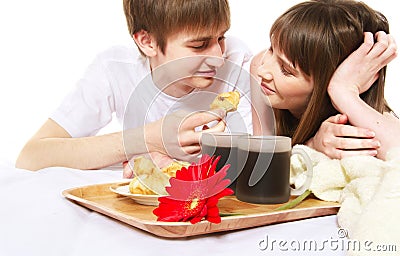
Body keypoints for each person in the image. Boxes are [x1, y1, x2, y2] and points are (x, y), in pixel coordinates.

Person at [15, 0, 253, 175]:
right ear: (146, 42)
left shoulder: (237, 61)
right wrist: (148, 139)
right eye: (199, 45)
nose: (218, 57)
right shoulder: (115, 69)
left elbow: (253, 166)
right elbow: (31, 157)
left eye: (221, 38)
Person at [250, 0, 397, 160]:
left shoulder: (366, 116)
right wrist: (311, 147)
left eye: (286, 70)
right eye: (271, 49)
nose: (263, 70)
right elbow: (262, 161)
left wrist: (342, 91)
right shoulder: (261, 68)